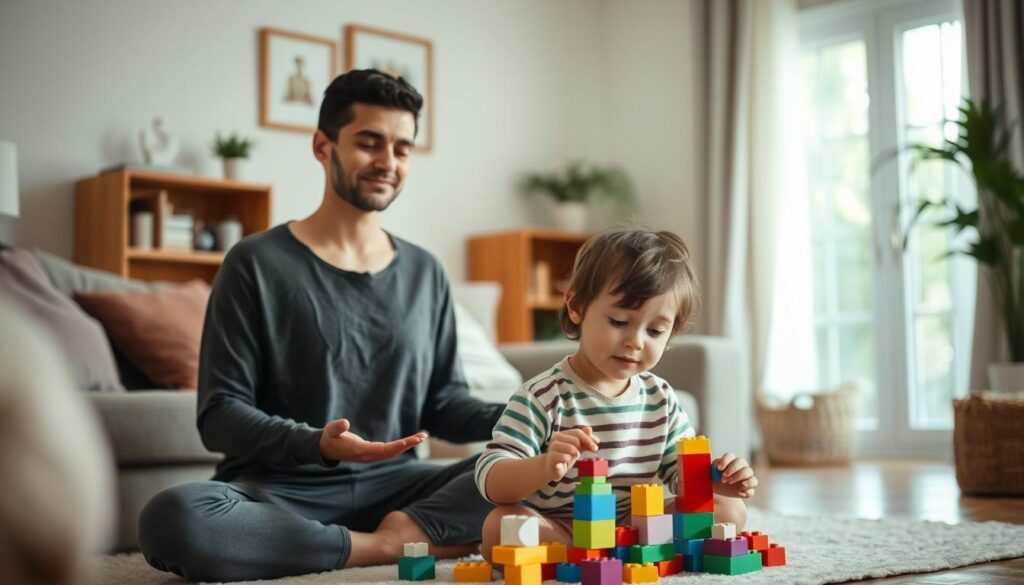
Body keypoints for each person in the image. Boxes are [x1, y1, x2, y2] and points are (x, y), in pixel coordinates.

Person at [138, 69, 503, 582]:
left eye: (402, 148)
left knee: (541, 475)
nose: (388, 162)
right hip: (282, 490)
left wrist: (530, 414)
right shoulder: (254, 263)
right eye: (369, 143)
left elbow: (444, 404)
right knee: (172, 518)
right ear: (322, 146)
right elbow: (219, 415)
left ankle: (404, 529)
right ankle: (384, 546)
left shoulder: (426, 272)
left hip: (400, 487)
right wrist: (318, 444)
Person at [474, 227, 757, 558]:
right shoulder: (543, 395)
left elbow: (680, 478)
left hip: (637, 522)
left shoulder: (661, 399)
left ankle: (619, 549)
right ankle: (599, 553)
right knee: (500, 525)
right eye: (620, 321)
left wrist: (718, 481)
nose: (635, 341)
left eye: (655, 330)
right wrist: (544, 465)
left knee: (730, 510)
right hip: (561, 525)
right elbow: (490, 478)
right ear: (577, 307)